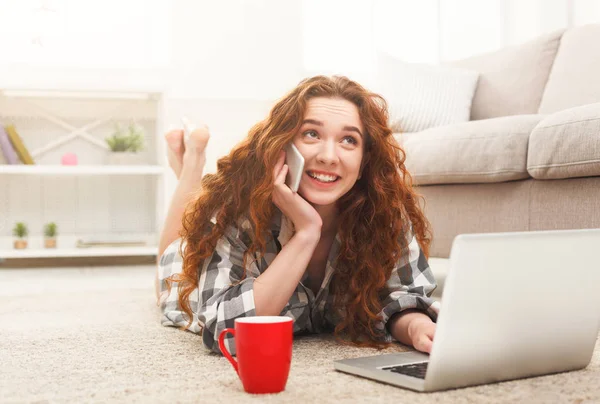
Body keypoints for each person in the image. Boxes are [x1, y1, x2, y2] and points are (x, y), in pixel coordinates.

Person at [156, 75, 440, 355]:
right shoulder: (240, 212)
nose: (329, 156)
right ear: (283, 144)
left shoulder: (383, 215)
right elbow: (228, 333)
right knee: (176, 253)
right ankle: (192, 163)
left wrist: (416, 326)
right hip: (187, 265)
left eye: (349, 140)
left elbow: (401, 296)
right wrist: (306, 234)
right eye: (312, 134)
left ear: (365, 159)